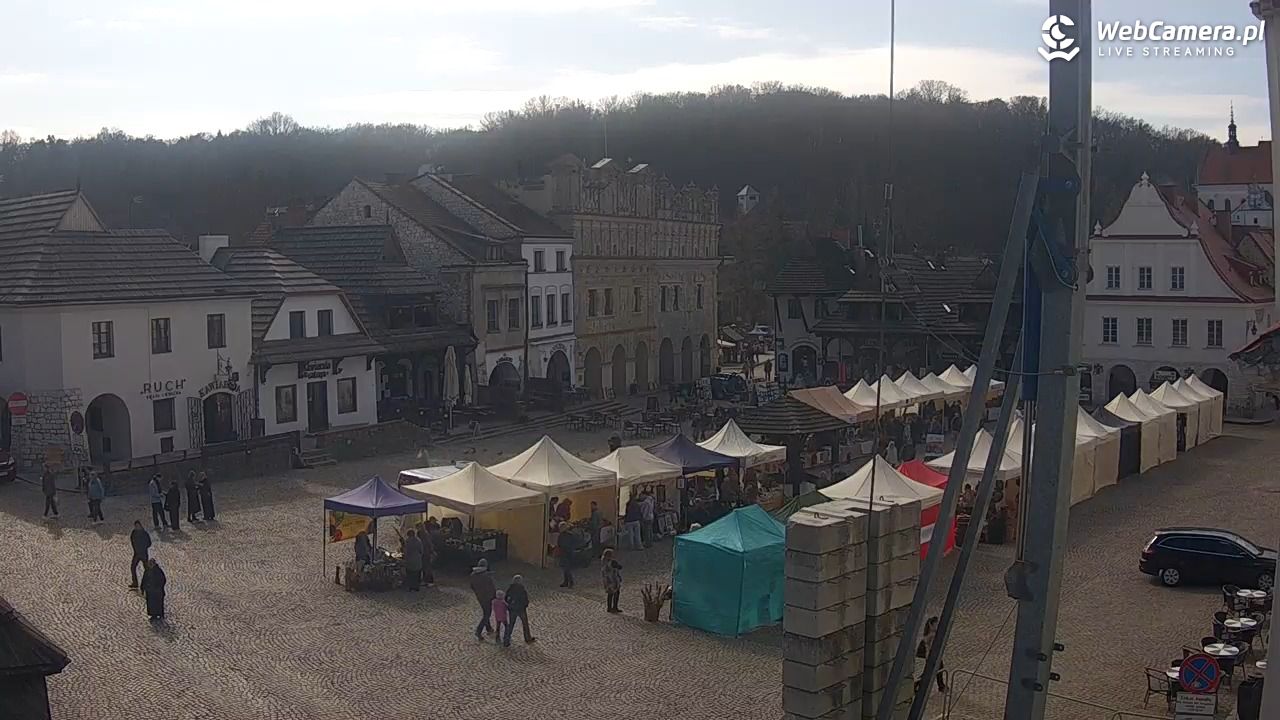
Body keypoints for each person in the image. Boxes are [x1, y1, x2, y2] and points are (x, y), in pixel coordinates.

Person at [915, 616, 947, 693]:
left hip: (933, 656)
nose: (938, 625)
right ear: (931, 625)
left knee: (933, 671)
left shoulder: (931, 633)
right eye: (936, 624)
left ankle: (941, 686)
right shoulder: (932, 635)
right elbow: (929, 648)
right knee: (931, 671)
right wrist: (929, 657)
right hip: (931, 656)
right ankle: (941, 686)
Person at [502, 575, 535, 646]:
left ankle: (506, 639)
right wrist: (525, 605)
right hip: (520, 609)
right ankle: (527, 638)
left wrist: (509, 606)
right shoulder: (521, 589)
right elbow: (525, 599)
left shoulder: (510, 589)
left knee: (511, 624)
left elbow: (506, 598)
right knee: (525, 624)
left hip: (512, 609)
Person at [469, 558, 497, 640]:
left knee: (485, 612)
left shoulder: (473, 575)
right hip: (488, 597)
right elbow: (492, 588)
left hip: (480, 597)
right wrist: (494, 596)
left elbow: (472, 586)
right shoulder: (487, 576)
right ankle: (478, 631)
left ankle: (488, 628)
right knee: (487, 614)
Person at [129, 521, 152, 589]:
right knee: (133, 567)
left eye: (138, 526)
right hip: (136, 554)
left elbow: (149, 543)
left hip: (143, 554)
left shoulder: (144, 534)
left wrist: (143, 547)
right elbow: (132, 540)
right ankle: (135, 582)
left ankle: (148, 582)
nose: (137, 527)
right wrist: (135, 548)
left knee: (147, 569)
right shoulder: (134, 533)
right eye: (136, 526)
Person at [601, 548, 623, 614]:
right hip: (613, 580)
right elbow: (620, 567)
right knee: (616, 593)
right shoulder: (612, 562)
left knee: (610, 594)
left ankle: (609, 608)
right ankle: (615, 607)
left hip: (607, 580)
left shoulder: (603, 561)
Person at [557, 522, 578, 588]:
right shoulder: (562, 535)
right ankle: (566, 582)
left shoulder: (569, 535)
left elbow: (571, 544)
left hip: (568, 552)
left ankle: (570, 582)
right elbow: (559, 543)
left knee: (567, 568)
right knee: (564, 568)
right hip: (564, 552)